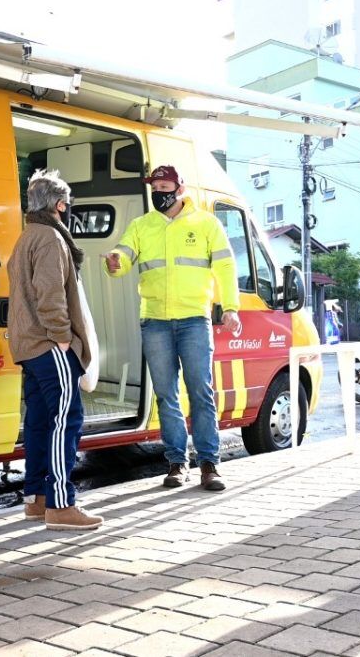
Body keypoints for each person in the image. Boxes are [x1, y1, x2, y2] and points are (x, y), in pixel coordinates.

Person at [103, 165, 241, 491]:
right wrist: (115, 263)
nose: (158, 193)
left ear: (179, 189)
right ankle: (177, 463)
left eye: (164, 186)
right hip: (155, 322)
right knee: (166, 396)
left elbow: (225, 266)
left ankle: (210, 464)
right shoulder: (141, 225)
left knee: (201, 393)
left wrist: (231, 307)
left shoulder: (206, 224)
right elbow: (124, 255)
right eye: (154, 187)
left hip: (194, 319)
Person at [8, 169, 102, 531]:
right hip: (49, 345)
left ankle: (37, 499)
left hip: (28, 345)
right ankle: (62, 505)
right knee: (67, 420)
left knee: (39, 421)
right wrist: (63, 338)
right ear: (60, 204)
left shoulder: (26, 236)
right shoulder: (50, 238)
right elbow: (50, 294)